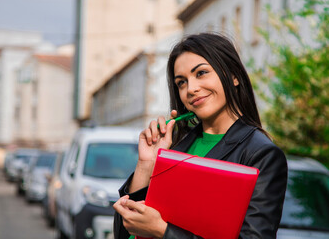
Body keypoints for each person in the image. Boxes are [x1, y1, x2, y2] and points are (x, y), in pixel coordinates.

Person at [113, 33, 287, 239]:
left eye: (201, 73)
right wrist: (146, 164)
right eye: (181, 83)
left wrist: (162, 231)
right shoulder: (175, 148)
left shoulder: (262, 154)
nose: (191, 89)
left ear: (234, 76)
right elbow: (125, 233)